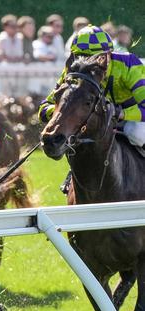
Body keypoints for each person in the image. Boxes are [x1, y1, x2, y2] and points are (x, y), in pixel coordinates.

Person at [39, 25, 145, 192]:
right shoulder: (74, 70)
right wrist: (64, 112)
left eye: (93, 58)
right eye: (81, 57)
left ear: (107, 56)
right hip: (98, 119)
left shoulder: (129, 65)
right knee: (76, 133)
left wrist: (121, 113)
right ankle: (74, 176)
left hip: (133, 116)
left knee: (135, 133)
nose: (86, 64)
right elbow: (44, 108)